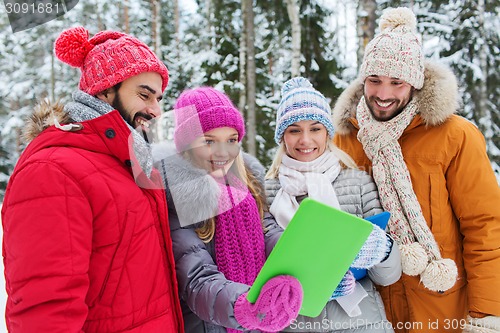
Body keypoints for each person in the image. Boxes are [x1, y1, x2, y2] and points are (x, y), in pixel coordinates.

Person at [1, 27, 184, 332]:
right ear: (104, 90)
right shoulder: (52, 170)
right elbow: (45, 312)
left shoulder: (132, 164)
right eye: (144, 94)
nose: (155, 110)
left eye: (159, 98)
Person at [332, 7, 500, 333]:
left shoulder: (455, 135)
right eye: (374, 80)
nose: (383, 94)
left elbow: (486, 228)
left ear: (415, 82)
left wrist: (486, 316)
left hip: (442, 312)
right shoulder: (344, 140)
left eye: (397, 82)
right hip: (370, 316)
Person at [153, 86, 303, 333]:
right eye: (209, 141)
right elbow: (197, 279)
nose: (223, 152)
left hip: (258, 323)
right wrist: (245, 306)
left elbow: (270, 235)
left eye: (231, 140)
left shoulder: (248, 187)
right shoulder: (179, 200)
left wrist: (307, 270)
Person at [265, 76, 401, 332]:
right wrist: (310, 281)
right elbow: (262, 268)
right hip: (293, 324)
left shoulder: (358, 183)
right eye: (295, 130)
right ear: (282, 137)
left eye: (315, 128)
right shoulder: (266, 192)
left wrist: (383, 249)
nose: (305, 140)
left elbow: (388, 276)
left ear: (327, 132)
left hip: (361, 323)